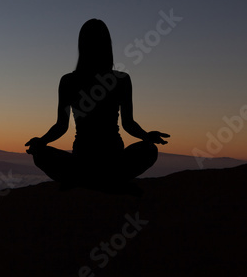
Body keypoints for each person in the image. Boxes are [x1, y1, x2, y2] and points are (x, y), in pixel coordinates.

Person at [25, 19, 169, 192]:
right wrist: (147, 137)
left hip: (81, 162)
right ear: (107, 46)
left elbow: (61, 126)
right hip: (114, 161)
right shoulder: (121, 80)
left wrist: (41, 142)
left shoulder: (69, 81)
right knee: (148, 150)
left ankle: (81, 180)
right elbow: (128, 124)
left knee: (42, 155)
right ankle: (113, 181)